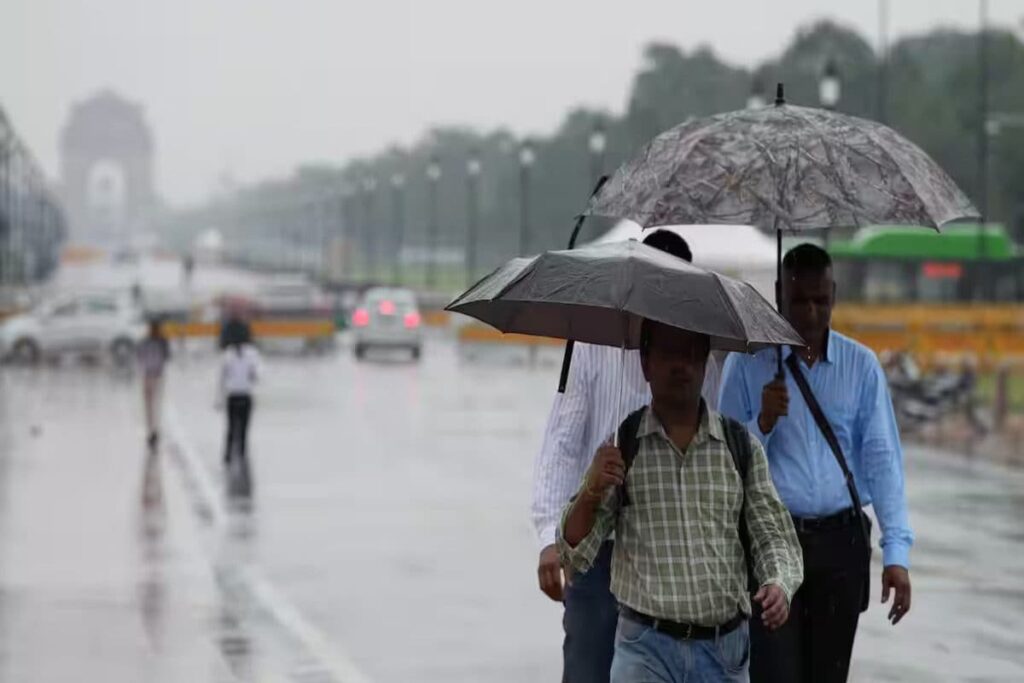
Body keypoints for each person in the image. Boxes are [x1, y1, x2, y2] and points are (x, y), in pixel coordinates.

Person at [559, 321, 803, 683]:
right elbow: (575, 553)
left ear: (705, 363)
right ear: (645, 362)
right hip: (645, 651)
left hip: (724, 654)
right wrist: (592, 488)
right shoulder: (625, 446)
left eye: (692, 354)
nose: (682, 365)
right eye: (669, 353)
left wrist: (779, 584)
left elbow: (775, 538)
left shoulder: (740, 447)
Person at [531, 230, 722, 683]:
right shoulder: (592, 346)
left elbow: (716, 453)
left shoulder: (704, 361)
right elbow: (561, 445)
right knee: (589, 671)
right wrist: (547, 537)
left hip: (672, 556)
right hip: (598, 554)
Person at [718, 244, 914, 683]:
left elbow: (883, 462)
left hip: (840, 544)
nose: (810, 313)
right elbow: (722, 463)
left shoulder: (861, 367)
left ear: (834, 296)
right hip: (771, 543)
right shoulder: (748, 363)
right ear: (778, 296)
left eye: (820, 301)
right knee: (775, 674)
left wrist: (896, 553)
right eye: (799, 300)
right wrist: (762, 422)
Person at [220, 339, 261, 464]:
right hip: (237, 394)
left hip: (241, 394)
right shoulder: (234, 355)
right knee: (234, 427)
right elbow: (255, 375)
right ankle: (234, 453)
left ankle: (237, 453)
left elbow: (255, 374)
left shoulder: (231, 355)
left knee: (241, 428)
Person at [138, 318, 171, 448]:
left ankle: (151, 429)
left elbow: (139, 356)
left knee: (149, 406)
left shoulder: (144, 342)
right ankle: (155, 429)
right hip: (158, 375)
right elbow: (167, 357)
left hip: (147, 375)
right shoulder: (162, 342)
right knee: (157, 404)